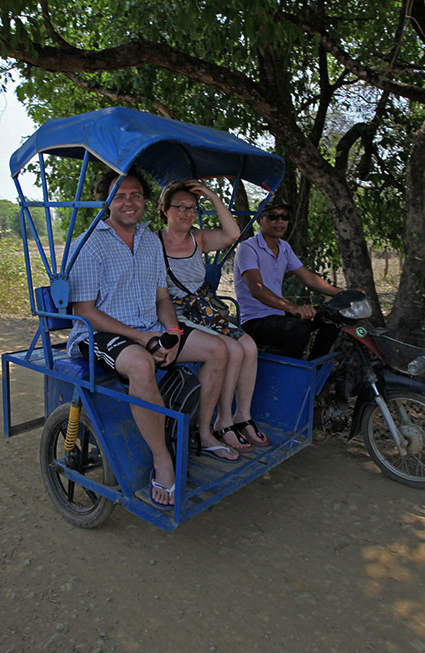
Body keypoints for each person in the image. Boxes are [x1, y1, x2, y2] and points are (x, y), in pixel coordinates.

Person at [66, 169, 238, 510]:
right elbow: (85, 310)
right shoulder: (88, 243)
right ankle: (163, 461)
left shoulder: (148, 241)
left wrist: (172, 334)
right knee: (143, 365)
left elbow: (162, 298)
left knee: (218, 349)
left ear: (145, 201)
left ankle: (202, 433)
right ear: (106, 201)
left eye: (135, 195)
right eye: (120, 195)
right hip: (98, 333)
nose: (129, 202)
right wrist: (144, 338)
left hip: (150, 328)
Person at [157, 180, 270, 451]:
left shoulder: (198, 238)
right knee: (232, 349)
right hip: (175, 314)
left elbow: (233, 234)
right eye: (180, 207)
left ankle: (242, 415)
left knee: (249, 347)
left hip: (204, 311)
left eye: (192, 208)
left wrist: (210, 194)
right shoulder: (154, 242)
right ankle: (223, 420)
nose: (186, 213)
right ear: (165, 211)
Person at [234, 198, 342, 359]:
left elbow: (309, 278)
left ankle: (315, 369)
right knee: (299, 328)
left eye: (285, 217)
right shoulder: (248, 248)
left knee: (332, 317)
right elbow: (257, 289)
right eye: (273, 216)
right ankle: (288, 374)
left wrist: (342, 294)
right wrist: (293, 308)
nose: (280, 221)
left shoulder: (284, 247)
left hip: (279, 315)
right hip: (254, 320)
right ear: (259, 220)